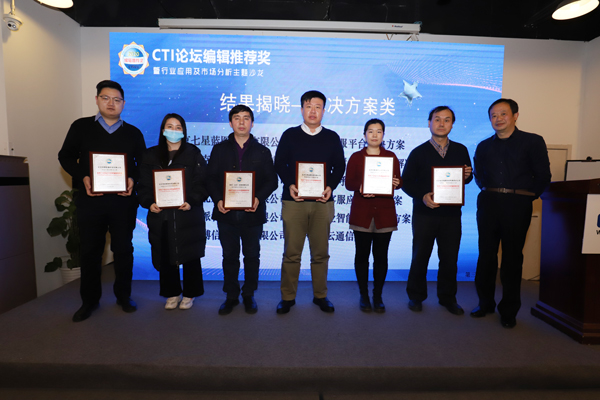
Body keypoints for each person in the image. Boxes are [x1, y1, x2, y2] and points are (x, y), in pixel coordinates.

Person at [58, 80, 146, 322]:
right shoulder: (81, 127)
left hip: (122, 203)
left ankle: (124, 296)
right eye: (106, 98)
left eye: (117, 100)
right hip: (91, 202)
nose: (111, 103)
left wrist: (132, 179)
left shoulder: (133, 133)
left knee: (123, 250)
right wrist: (83, 176)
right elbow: (65, 156)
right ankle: (89, 301)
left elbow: (143, 165)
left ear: (123, 104)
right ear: (97, 100)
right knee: (90, 252)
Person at [472, 98, 551, 328]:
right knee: (486, 256)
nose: (498, 119)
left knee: (512, 258)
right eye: (493, 115)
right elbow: (479, 175)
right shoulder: (483, 146)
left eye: (503, 114)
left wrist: (525, 198)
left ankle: (508, 310)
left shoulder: (533, 141)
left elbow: (543, 177)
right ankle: (485, 303)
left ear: (515, 116)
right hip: (488, 203)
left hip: (518, 205)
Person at [273, 90, 346, 314]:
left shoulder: (332, 137)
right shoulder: (289, 135)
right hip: (294, 201)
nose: (313, 111)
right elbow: (279, 163)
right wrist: (289, 184)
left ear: (324, 110)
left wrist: (330, 186)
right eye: (308, 106)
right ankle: (287, 297)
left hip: (322, 202)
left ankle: (320, 295)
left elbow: (339, 166)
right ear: (301, 109)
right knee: (291, 253)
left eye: (318, 107)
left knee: (320, 252)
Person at [402, 106, 473, 315]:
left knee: (450, 259)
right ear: (429, 123)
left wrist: (468, 175)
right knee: (420, 256)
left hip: (451, 216)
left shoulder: (461, 150)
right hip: (424, 214)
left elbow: (465, 180)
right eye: (437, 119)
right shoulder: (418, 152)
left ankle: (448, 298)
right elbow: (406, 183)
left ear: (452, 124)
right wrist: (423, 196)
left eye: (447, 120)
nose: (442, 123)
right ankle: (416, 296)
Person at [207, 105, 278, 315]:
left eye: (246, 118)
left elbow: (272, 181)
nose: (241, 122)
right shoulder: (219, 149)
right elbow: (210, 178)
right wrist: (218, 199)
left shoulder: (262, 151)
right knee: (229, 256)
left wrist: (257, 198)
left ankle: (248, 294)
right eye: (237, 118)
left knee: (252, 256)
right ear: (230, 123)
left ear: (252, 123)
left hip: (252, 214)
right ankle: (231, 295)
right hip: (226, 214)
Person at [137, 113, 208, 310]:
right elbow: (143, 185)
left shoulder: (193, 154)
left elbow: (202, 183)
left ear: (184, 131)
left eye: (178, 127)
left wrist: (191, 201)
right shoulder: (150, 155)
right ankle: (172, 293)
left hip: (187, 214)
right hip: (161, 215)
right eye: (170, 126)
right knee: (165, 254)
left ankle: (190, 294)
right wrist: (149, 202)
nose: (174, 131)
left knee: (190, 254)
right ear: (162, 130)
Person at [345, 119, 401, 313]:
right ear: (364, 134)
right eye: (370, 131)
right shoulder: (356, 157)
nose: (375, 135)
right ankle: (363, 295)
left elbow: (398, 181)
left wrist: (397, 182)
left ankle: (378, 296)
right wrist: (361, 186)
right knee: (362, 255)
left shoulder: (391, 156)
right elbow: (349, 183)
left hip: (384, 213)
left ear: (383, 135)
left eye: (379, 131)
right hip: (362, 213)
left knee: (381, 257)